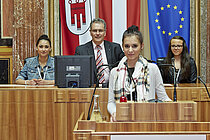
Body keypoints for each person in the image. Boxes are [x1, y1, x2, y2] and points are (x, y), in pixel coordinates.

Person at [107, 25, 172, 122]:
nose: (130, 50)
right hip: (122, 120)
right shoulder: (114, 72)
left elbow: (163, 98)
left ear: (142, 46)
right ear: (122, 47)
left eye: (134, 46)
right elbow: (111, 102)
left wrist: (175, 107)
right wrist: (114, 112)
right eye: (127, 46)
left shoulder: (152, 68)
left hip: (147, 120)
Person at [75, 18, 124, 85]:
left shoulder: (115, 48)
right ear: (90, 32)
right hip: (90, 88)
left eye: (100, 31)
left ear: (105, 32)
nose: (97, 33)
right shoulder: (81, 51)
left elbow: (123, 66)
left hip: (112, 87)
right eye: (95, 31)